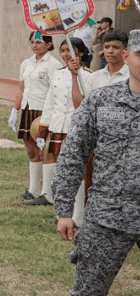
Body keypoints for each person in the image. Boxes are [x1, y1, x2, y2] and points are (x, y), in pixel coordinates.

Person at [52, 29, 140, 296]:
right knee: (88, 287)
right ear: (129, 58)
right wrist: (63, 209)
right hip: (109, 213)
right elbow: (73, 155)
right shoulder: (102, 100)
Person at [30, 37, 92, 207]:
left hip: (75, 126)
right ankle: (48, 195)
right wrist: (44, 128)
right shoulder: (58, 73)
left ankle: (75, 203)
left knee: (73, 167)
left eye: (70, 51)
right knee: (49, 157)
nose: (66, 54)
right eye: (63, 51)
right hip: (57, 124)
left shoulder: (88, 76)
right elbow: (50, 103)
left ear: (80, 53)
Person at [10, 33, 63, 202]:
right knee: (31, 151)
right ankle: (33, 190)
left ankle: (48, 193)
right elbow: (21, 88)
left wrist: (51, 116)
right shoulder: (27, 63)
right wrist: (15, 110)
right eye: (32, 41)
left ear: (48, 45)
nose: (34, 45)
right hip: (28, 109)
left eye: (38, 42)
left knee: (45, 151)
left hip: (43, 112)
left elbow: (57, 91)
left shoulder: (54, 65)